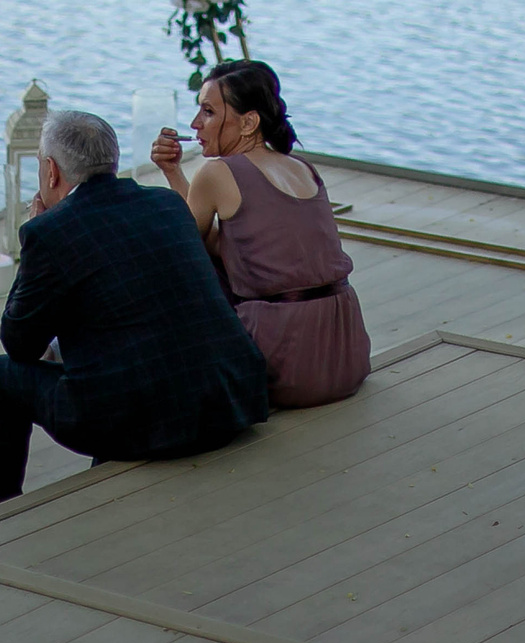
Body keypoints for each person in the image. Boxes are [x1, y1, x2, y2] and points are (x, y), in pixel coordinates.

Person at [0, 108, 269, 509]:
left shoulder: (49, 232)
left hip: (139, 424)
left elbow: (19, 344)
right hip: (227, 400)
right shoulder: (167, 205)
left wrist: (32, 247)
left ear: (50, 171)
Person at [152, 60, 371, 409]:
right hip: (345, 353)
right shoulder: (302, 167)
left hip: (286, 368)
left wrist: (172, 174)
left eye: (208, 112)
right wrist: (174, 171)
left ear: (249, 122)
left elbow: (186, 243)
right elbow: (232, 247)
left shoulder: (217, 172)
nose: (195, 124)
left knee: (169, 267)